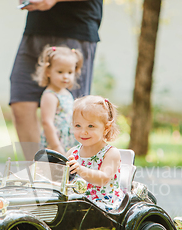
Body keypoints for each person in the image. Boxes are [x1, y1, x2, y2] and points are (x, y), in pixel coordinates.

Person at [10, 0, 104, 159]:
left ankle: (68, 172)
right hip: (36, 26)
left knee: (74, 113)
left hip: (76, 26)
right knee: (21, 102)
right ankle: (38, 173)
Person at [67, 95, 124, 211]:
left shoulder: (111, 153)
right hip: (77, 201)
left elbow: (103, 178)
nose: (83, 132)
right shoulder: (73, 152)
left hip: (102, 203)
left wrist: (80, 170)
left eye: (90, 126)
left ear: (106, 128)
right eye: (78, 125)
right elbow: (60, 177)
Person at [32, 45, 83, 153]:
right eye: (60, 72)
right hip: (55, 141)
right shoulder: (50, 96)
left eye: (70, 72)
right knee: (54, 168)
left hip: (68, 140)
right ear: (48, 72)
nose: (65, 76)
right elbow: (47, 122)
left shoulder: (67, 93)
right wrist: (56, 146)